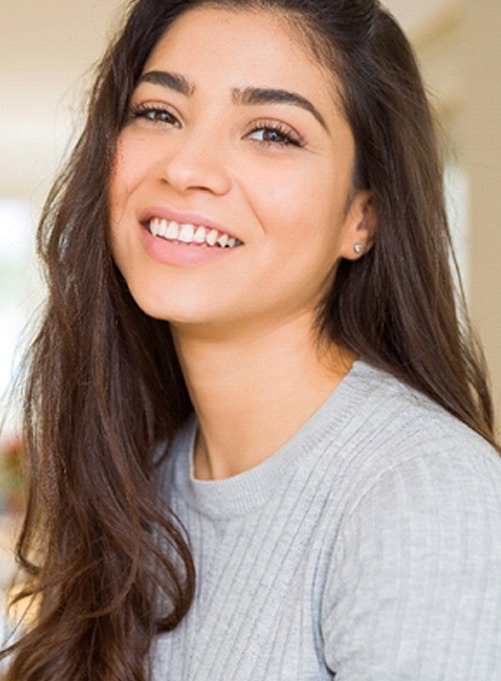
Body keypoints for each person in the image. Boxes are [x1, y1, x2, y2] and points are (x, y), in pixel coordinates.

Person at [3, 0, 501, 679]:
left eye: (270, 132)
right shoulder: (140, 478)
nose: (186, 168)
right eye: (159, 112)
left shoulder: (420, 495)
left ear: (363, 215)